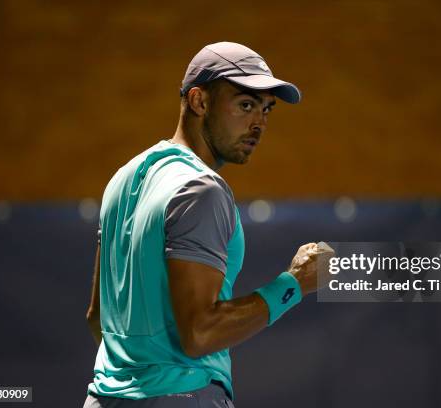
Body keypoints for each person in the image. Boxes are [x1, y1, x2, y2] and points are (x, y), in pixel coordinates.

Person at [83, 41, 331, 408]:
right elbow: (200, 332)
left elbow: (97, 319)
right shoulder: (202, 189)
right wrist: (295, 283)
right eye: (246, 105)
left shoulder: (122, 179)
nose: (259, 122)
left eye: (266, 109)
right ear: (199, 102)